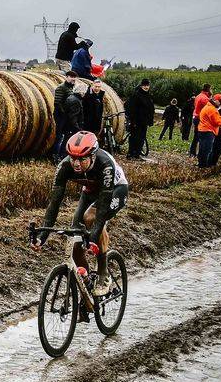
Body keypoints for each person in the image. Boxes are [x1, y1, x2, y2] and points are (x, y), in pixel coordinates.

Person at [32, 132, 130, 308]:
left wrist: (93, 239)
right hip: (90, 191)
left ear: (92, 156)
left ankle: (103, 273)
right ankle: (87, 291)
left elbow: (101, 210)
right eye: (73, 158)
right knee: (75, 242)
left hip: (114, 190)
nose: (76, 164)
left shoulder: (105, 164)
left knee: (91, 218)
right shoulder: (64, 167)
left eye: (82, 159)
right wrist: (42, 237)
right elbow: (54, 204)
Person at [123, 78, 154, 159]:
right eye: (144, 85)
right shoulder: (136, 95)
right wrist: (132, 121)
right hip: (136, 121)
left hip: (144, 122)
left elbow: (151, 109)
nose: (146, 87)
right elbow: (130, 108)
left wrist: (150, 121)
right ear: (141, 86)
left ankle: (137, 154)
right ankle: (130, 154)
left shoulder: (148, 96)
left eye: (147, 85)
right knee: (134, 137)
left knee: (141, 138)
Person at [52, 71, 79, 160]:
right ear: (66, 77)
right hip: (60, 116)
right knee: (60, 136)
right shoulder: (61, 88)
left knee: (66, 135)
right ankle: (55, 155)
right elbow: (57, 103)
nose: (73, 79)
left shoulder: (71, 88)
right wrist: (64, 113)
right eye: (71, 77)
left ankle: (63, 154)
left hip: (67, 116)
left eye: (74, 77)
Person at [197, 94, 221, 168]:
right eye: (220, 101)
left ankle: (200, 164)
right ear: (214, 100)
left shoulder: (208, 107)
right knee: (207, 149)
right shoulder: (212, 109)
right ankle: (203, 166)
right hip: (208, 131)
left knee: (202, 148)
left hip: (202, 130)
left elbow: (215, 118)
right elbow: (217, 122)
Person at [190, 84, 212, 157]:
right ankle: (199, 153)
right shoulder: (205, 98)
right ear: (208, 89)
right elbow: (210, 108)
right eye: (211, 89)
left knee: (196, 136)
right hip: (201, 119)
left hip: (196, 117)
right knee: (202, 137)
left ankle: (192, 152)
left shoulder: (199, 95)